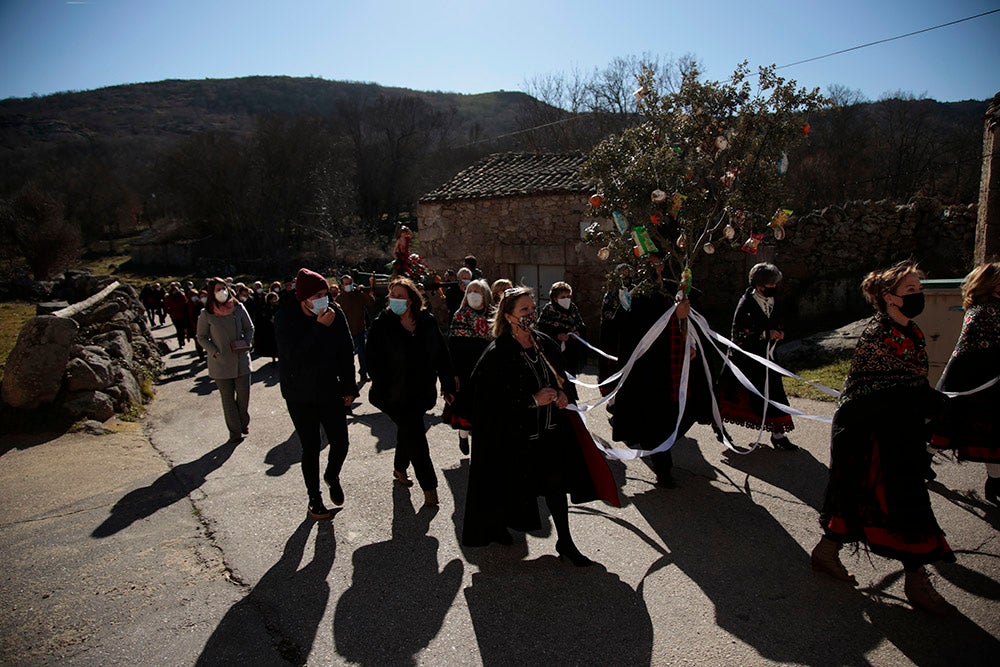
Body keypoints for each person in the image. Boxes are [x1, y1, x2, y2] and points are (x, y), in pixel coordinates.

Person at [811, 261, 956, 615]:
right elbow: (882, 390)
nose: (918, 296)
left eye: (919, 290)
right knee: (897, 502)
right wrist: (928, 402)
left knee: (878, 499)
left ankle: (827, 551)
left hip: (893, 430)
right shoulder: (880, 335)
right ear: (889, 298)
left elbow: (911, 384)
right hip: (866, 431)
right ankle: (914, 578)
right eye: (910, 291)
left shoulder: (912, 331)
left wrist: (931, 403)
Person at [461, 286, 605, 566]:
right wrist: (531, 400)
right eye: (524, 310)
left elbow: (562, 379)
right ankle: (498, 526)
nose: (531, 315)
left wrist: (564, 395)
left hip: (549, 433)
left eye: (533, 309)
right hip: (514, 439)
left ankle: (565, 541)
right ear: (509, 316)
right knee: (507, 485)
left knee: (555, 485)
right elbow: (488, 402)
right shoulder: (498, 353)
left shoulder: (544, 343)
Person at [611, 252, 715, 488]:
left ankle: (663, 449)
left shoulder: (673, 289)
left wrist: (691, 342)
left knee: (686, 411)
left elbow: (692, 319)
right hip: (653, 373)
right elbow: (636, 331)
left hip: (681, 365)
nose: (656, 267)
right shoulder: (636, 296)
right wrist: (673, 316)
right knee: (657, 421)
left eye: (658, 263)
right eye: (650, 264)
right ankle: (663, 469)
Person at [274, 268, 358, 520]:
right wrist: (319, 328)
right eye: (319, 294)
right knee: (310, 446)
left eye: (326, 293)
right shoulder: (285, 317)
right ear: (304, 298)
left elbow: (346, 350)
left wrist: (349, 387)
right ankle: (315, 499)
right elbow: (294, 357)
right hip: (299, 393)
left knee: (340, 442)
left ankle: (332, 474)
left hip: (329, 388)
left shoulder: (335, 313)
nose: (325, 299)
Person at [366, 277, 456, 506]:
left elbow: (441, 355)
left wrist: (447, 384)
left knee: (409, 430)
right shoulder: (382, 324)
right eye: (392, 295)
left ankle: (399, 468)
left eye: (400, 295)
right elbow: (371, 361)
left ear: (412, 299)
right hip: (392, 396)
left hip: (421, 393)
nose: (395, 299)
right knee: (415, 434)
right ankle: (430, 488)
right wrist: (386, 383)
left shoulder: (427, 321)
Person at [930, 261, 1000, 504]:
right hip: (971, 381)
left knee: (991, 435)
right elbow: (978, 350)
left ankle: (995, 482)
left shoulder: (986, 308)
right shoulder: (985, 311)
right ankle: (922, 459)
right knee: (948, 428)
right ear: (992, 285)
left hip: (986, 380)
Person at [718, 262, 797, 449]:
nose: (773, 288)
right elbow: (738, 333)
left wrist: (779, 332)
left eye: (775, 284)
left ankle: (778, 435)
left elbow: (778, 321)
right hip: (746, 361)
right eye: (770, 285)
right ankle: (719, 428)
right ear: (759, 285)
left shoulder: (774, 301)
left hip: (768, 359)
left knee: (775, 395)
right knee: (734, 396)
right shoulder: (746, 303)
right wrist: (764, 335)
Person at [196, 277, 254, 444]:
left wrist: (246, 343)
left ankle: (243, 422)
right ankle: (235, 432)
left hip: (241, 359)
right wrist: (214, 351)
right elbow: (201, 337)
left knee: (243, 398)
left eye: (224, 288)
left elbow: (249, 328)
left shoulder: (238, 308)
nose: (222, 291)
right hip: (220, 363)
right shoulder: (206, 314)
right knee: (227, 399)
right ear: (212, 293)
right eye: (218, 289)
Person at [446, 278, 493, 455]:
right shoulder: (461, 315)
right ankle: (463, 436)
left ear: (485, 295)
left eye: (477, 291)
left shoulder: (493, 314)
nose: (473, 294)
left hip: (489, 370)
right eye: (470, 291)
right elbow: (454, 345)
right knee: (466, 410)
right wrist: (454, 374)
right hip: (467, 370)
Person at [536, 281, 588, 375]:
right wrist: (557, 335)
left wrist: (577, 333)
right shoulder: (549, 309)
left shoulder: (573, 308)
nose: (566, 299)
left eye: (568, 296)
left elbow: (580, 325)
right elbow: (542, 329)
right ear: (555, 298)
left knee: (571, 377)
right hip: (554, 351)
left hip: (571, 350)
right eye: (563, 297)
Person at [336, 274, 375, 383]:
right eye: (346, 284)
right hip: (346, 332)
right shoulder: (340, 299)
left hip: (360, 329)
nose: (348, 286)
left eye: (350, 283)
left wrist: (364, 291)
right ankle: (349, 379)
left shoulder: (359, 295)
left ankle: (363, 374)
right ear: (342, 286)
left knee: (362, 354)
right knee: (348, 357)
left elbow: (371, 302)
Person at [164, 282, 190, 349]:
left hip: (183, 315)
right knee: (178, 329)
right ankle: (180, 342)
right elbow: (166, 306)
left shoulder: (181, 296)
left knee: (183, 328)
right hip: (175, 316)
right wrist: (170, 312)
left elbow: (186, 303)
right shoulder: (169, 297)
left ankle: (182, 339)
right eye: (174, 290)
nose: (175, 291)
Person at [187, 288, 206, 360]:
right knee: (197, 340)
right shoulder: (187, 304)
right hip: (193, 325)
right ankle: (201, 354)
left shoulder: (200, 304)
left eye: (195, 295)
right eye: (192, 295)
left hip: (203, 324)